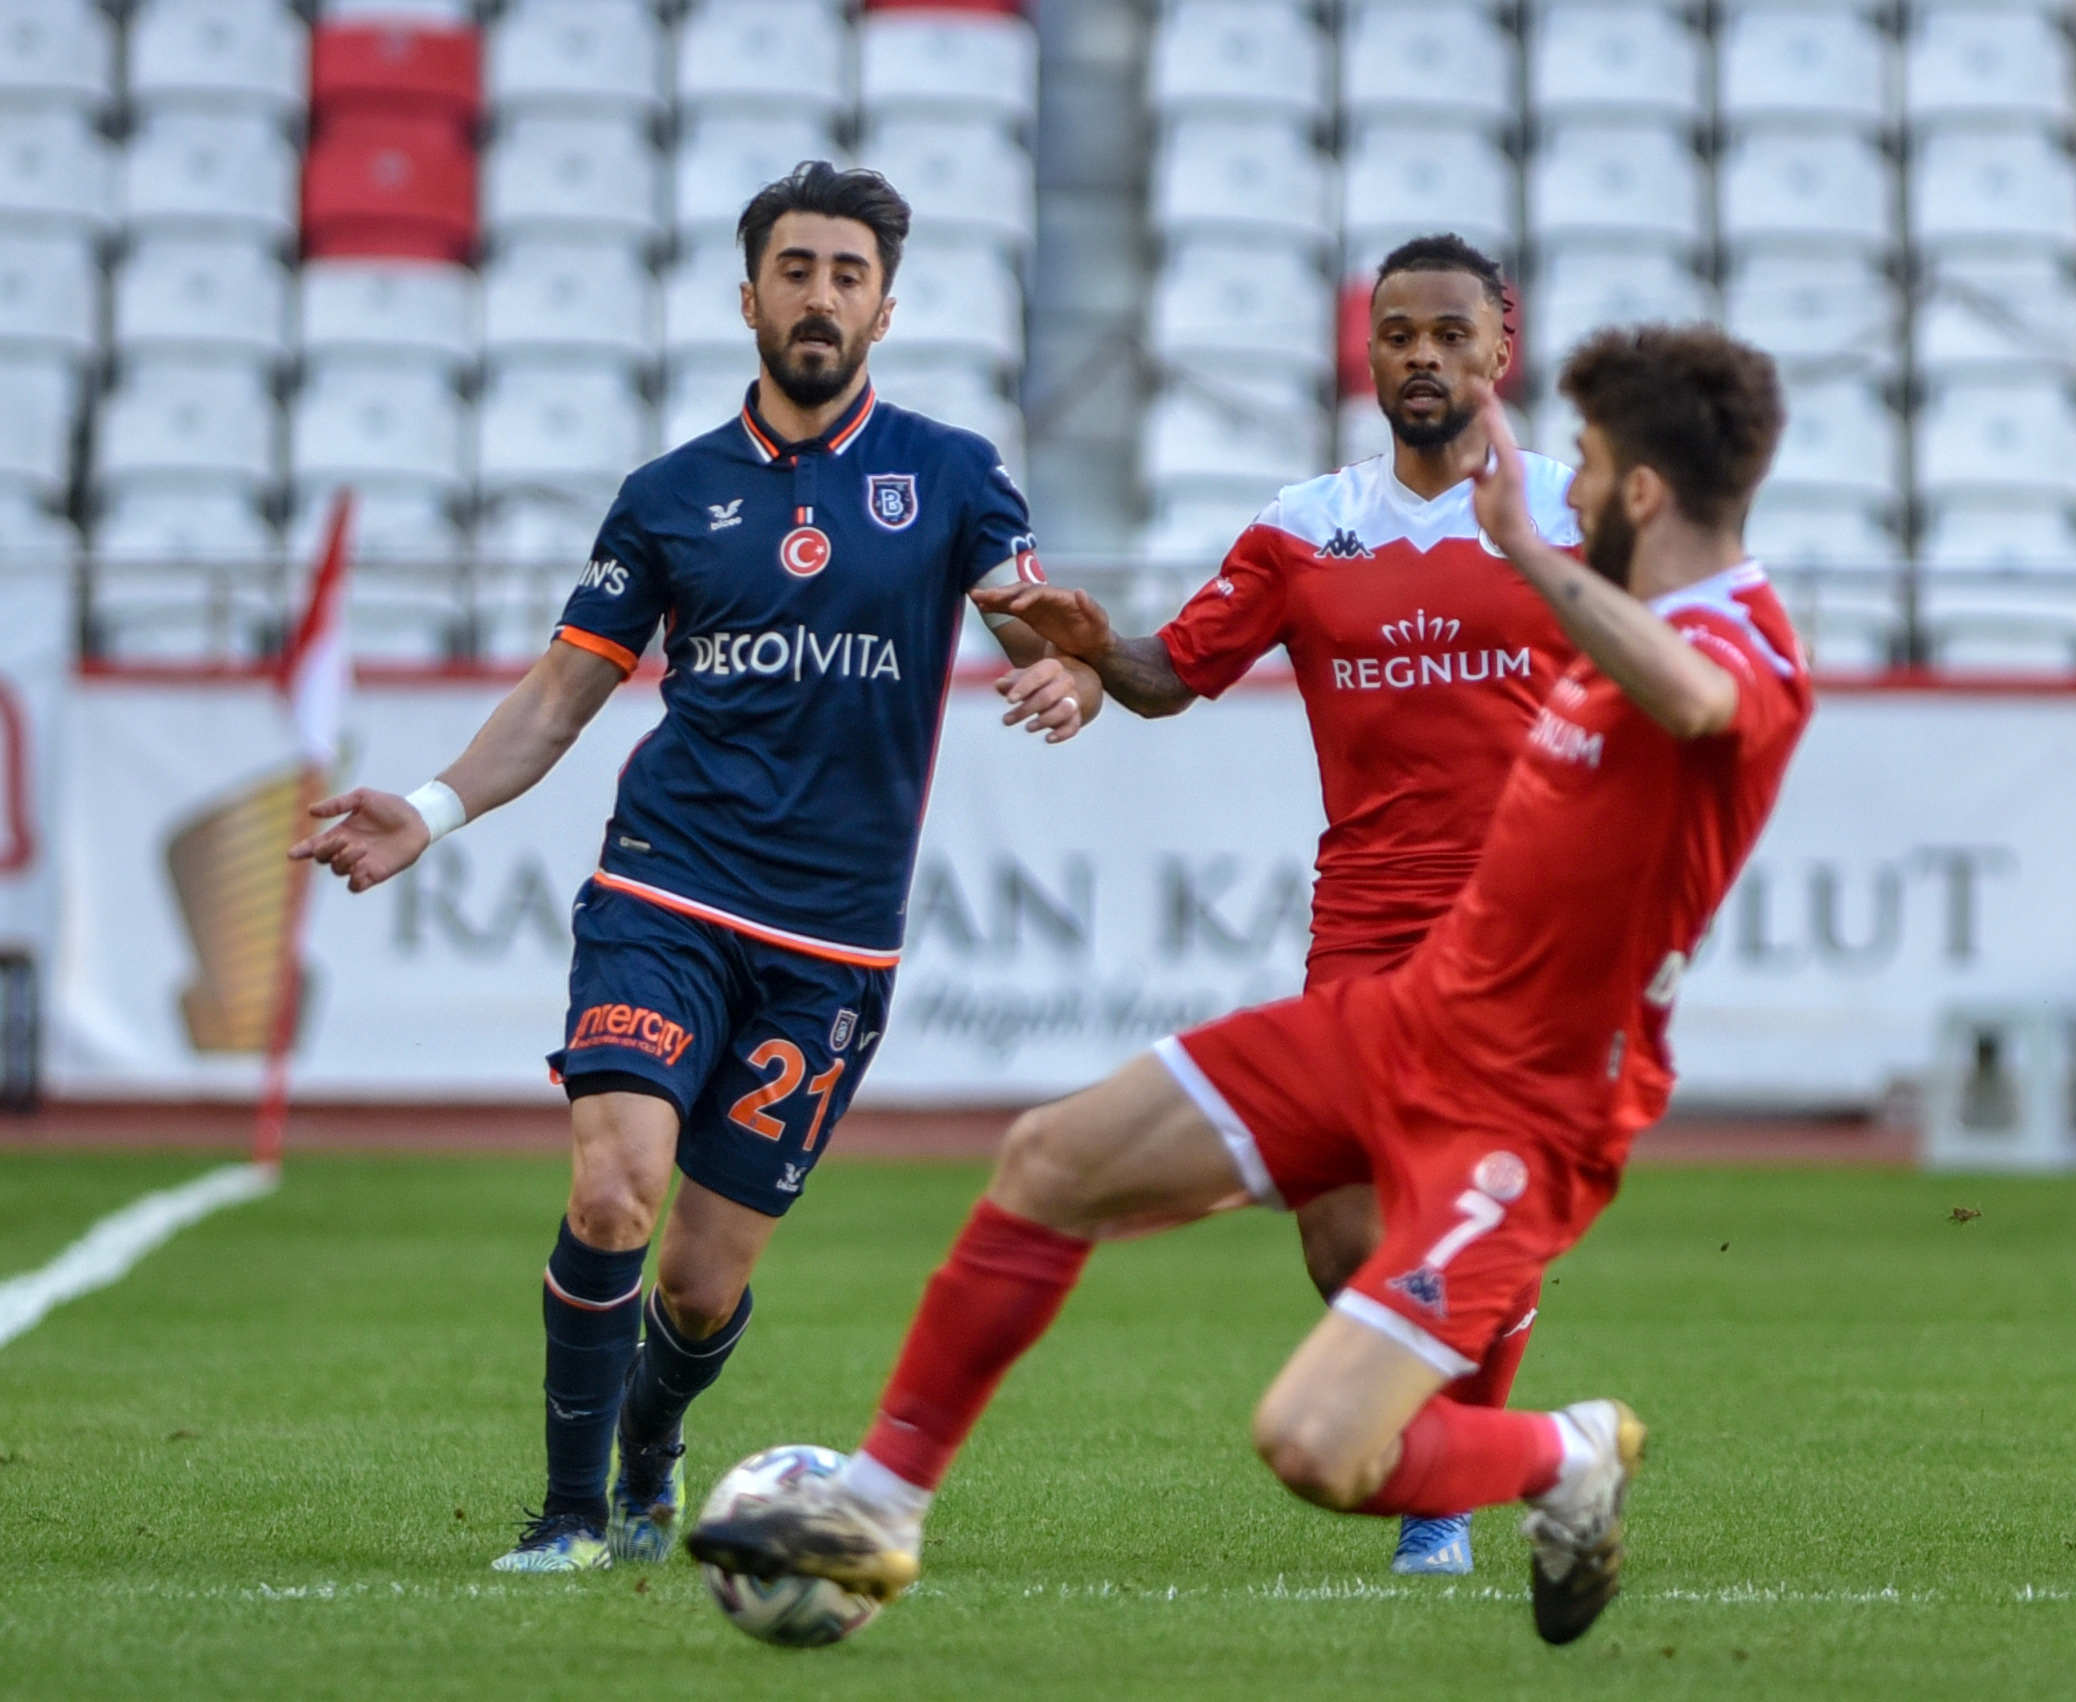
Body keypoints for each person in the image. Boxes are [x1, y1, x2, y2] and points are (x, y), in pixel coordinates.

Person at [688, 323, 1814, 1647]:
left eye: (1582, 465)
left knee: (1315, 1442)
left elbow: (1693, 705)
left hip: (1532, 1102)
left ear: (1637, 494)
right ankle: (878, 1506)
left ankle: (1561, 1454)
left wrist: (1515, 548)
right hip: (1405, 1016)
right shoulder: (1577, 589)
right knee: (1050, 1156)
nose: (1555, 489)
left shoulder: (1747, 638)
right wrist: (1112, 655)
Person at [289, 162, 1104, 1573]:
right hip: (663, 887)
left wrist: (1071, 679)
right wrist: (428, 807)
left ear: (884, 308)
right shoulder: (669, 496)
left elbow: (1043, 632)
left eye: (847, 274)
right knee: (614, 1188)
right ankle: (565, 1518)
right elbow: (557, 696)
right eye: (795, 269)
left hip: (834, 941)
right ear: (747, 297)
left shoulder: (954, 476)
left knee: (703, 1275)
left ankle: (656, 1441)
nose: (819, 296)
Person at [974, 232, 1578, 1577]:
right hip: (1362, 922)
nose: (1420, 356)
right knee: (1338, 1228)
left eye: (1446, 332)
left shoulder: (1573, 516)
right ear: (1366, 351)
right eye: (1397, 334)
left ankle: (1443, 1497)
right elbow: (1166, 676)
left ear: (1501, 343)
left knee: (1464, 1201)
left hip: (1522, 924)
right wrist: (1086, 643)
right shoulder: (1307, 524)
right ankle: (1489, 1434)